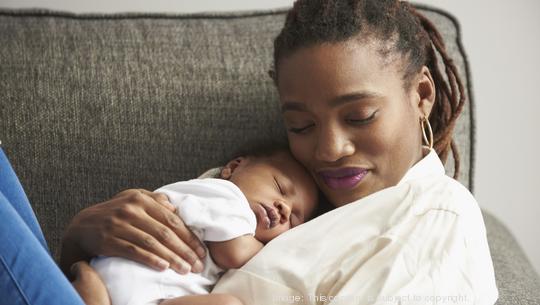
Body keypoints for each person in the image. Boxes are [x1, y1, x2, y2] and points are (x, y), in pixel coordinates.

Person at [0, 0, 499, 304]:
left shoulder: (433, 217)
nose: (328, 150)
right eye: (300, 125)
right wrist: (83, 236)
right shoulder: (280, 184)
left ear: (422, 96)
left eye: (360, 116)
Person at [90, 147, 318, 305]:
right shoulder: (223, 194)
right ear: (234, 167)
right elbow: (233, 254)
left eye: (295, 218)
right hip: (130, 281)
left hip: (133, 287)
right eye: (279, 186)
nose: (284, 208)